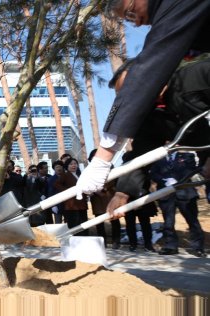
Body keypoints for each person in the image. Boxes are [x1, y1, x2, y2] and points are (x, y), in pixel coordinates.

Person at [75, 0, 210, 198]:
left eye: (130, 13)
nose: (136, 23)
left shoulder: (194, 76)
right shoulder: (156, 117)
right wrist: (122, 193)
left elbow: (149, 67)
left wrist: (103, 157)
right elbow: (140, 155)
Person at [150, 151, 206, 257]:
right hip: (166, 193)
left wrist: (177, 181)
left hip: (185, 193)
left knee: (192, 221)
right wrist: (164, 179)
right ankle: (170, 246)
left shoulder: (187, 156)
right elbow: (153, 173)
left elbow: (190, 170)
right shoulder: (158, 158)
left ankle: (198, 247)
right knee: (168, 222)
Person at [86, 151, 122, 249]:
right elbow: (87, 181)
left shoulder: (110, 166)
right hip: (97, 198)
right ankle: (102, 242)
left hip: (110, 196)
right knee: (99, 221)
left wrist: (104, 188)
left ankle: (116, 241)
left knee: (114, 220)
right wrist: (95, 190)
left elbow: (114, 179)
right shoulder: (89, 169)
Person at [54, 158, 88, 234]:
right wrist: (68, 191)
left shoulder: (79, 174)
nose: (73, 165)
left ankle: (84, 239)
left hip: (82, 204)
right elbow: (56, 184)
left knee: (83, 224)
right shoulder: (65, 175)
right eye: (71, 164)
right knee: (74, 224)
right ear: (67, 166)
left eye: (75, 163)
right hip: (71, 205)